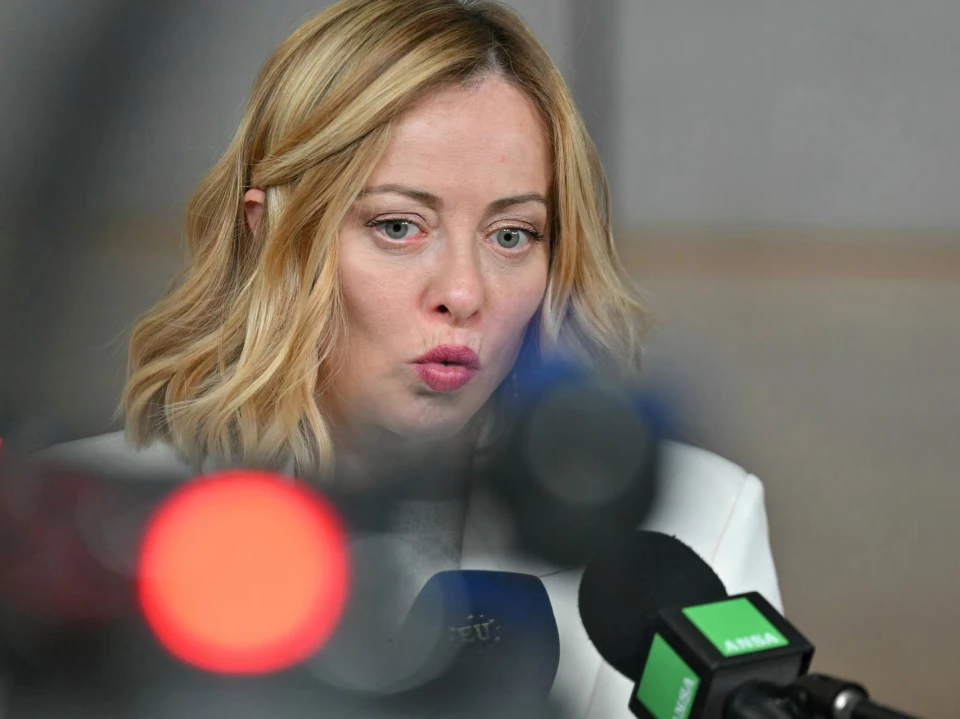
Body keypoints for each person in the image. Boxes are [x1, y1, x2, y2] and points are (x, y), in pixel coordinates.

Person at [38, 0, 782, 716]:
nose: (462, 292)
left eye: (512, 235)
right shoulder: (78, 533)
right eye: (399, 226)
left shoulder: (695, 516)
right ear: (274, 239)